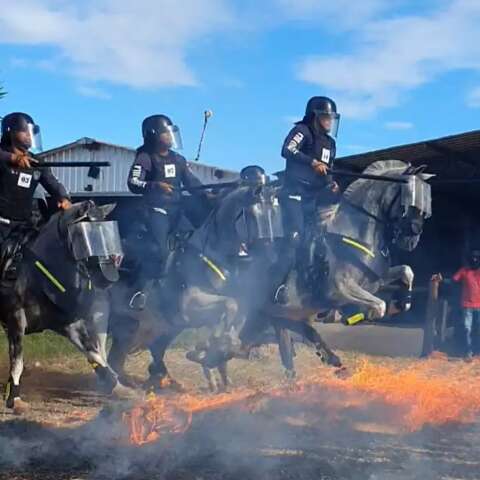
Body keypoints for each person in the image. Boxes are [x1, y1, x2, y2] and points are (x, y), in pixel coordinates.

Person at [127, 114, 204, 310]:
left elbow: (192, 183)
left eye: (172, 133)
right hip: (156, 211)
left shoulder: (179, 159)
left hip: (178, 212)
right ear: (153, 135)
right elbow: (133, 183)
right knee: (160, 250)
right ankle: (139, 291)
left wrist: (209, 193)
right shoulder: (145, 157)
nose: (170, 137)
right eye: (165, 133)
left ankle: (187, 286)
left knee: (196, 244)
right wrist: (155, 186)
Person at [274, 96, 341, 303]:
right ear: (315, 116)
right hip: (294, 195)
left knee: (320, 240)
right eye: (326, 117)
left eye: (332, 118)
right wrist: (312, 162)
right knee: (296, 238)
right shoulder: (302, 131)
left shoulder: (330, 143)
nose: (330, 122)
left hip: (315, 199)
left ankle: (315, 284)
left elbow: (328, 169)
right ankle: (280, 285)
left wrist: (331, 182)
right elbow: (287, 150)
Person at [0, 112, 71, 254]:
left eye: (31, 132)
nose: (29, 135)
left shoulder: (36, 163)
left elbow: (53, 184)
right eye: (24, 130)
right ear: (10, 132)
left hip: (23, 228)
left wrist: (64, 198)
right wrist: (12, 158)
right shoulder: (3, 155)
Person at [452, 250, 480, 358]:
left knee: (478, 329)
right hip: (467, 304)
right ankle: (468, 352)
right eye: (473, 257)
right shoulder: (464, 271)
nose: (475, 259)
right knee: (467, 328)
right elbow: (454, 280)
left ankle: (477, 351)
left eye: (477, 257)